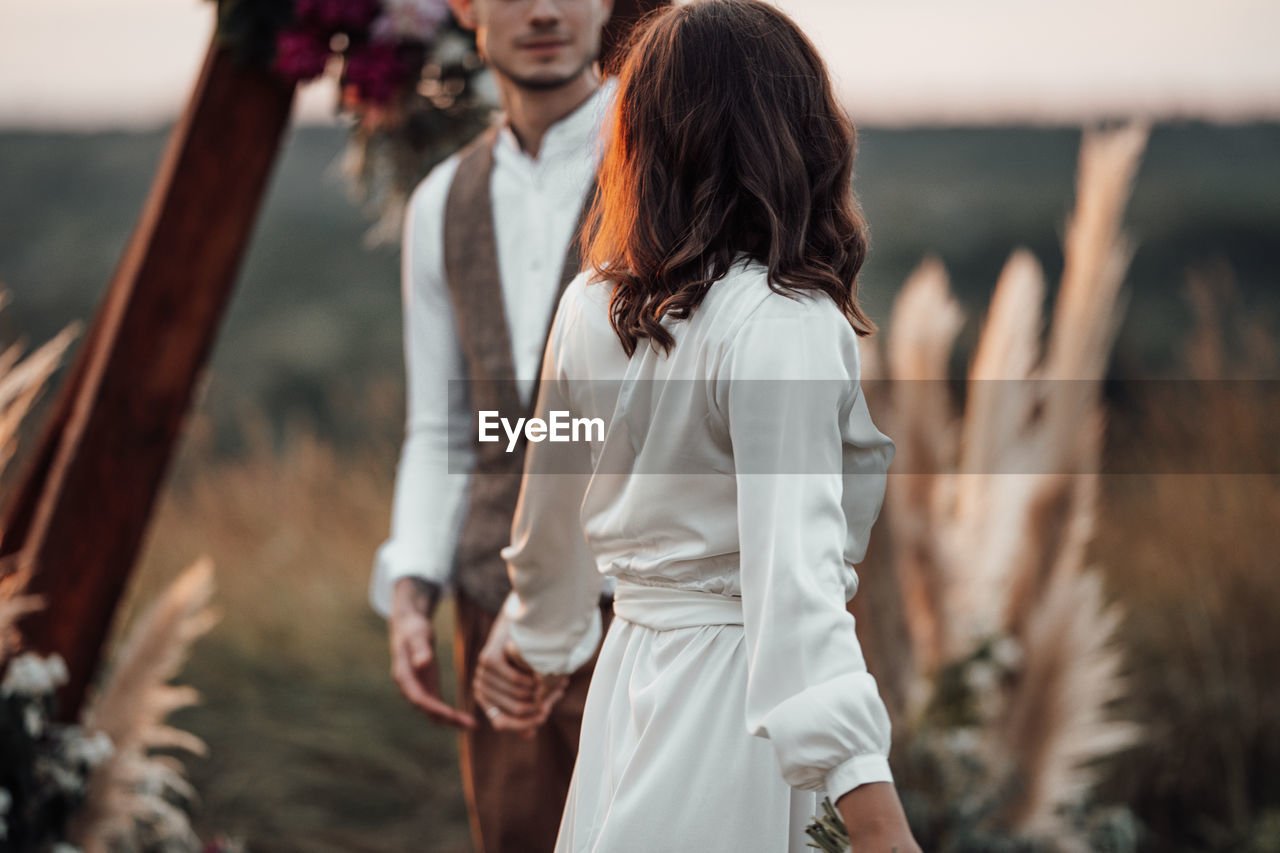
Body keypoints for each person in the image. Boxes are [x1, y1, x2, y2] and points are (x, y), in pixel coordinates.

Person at [472, 1, 923, 850]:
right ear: (801, 131)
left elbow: (549, 507)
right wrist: (883, 830)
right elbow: (793, 595)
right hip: (736, 711)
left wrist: (537, 633)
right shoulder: (784, 323)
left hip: (626, 680)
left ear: (640, 140)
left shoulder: (587, 306)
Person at [365, 0, 620, 849]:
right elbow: (444, 426)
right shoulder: (442, 202)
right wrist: (412, 583)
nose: (545, 11)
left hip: (643, 610)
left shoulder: (670, 163)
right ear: (465, 8)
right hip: (484, 606)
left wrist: (552, 593)